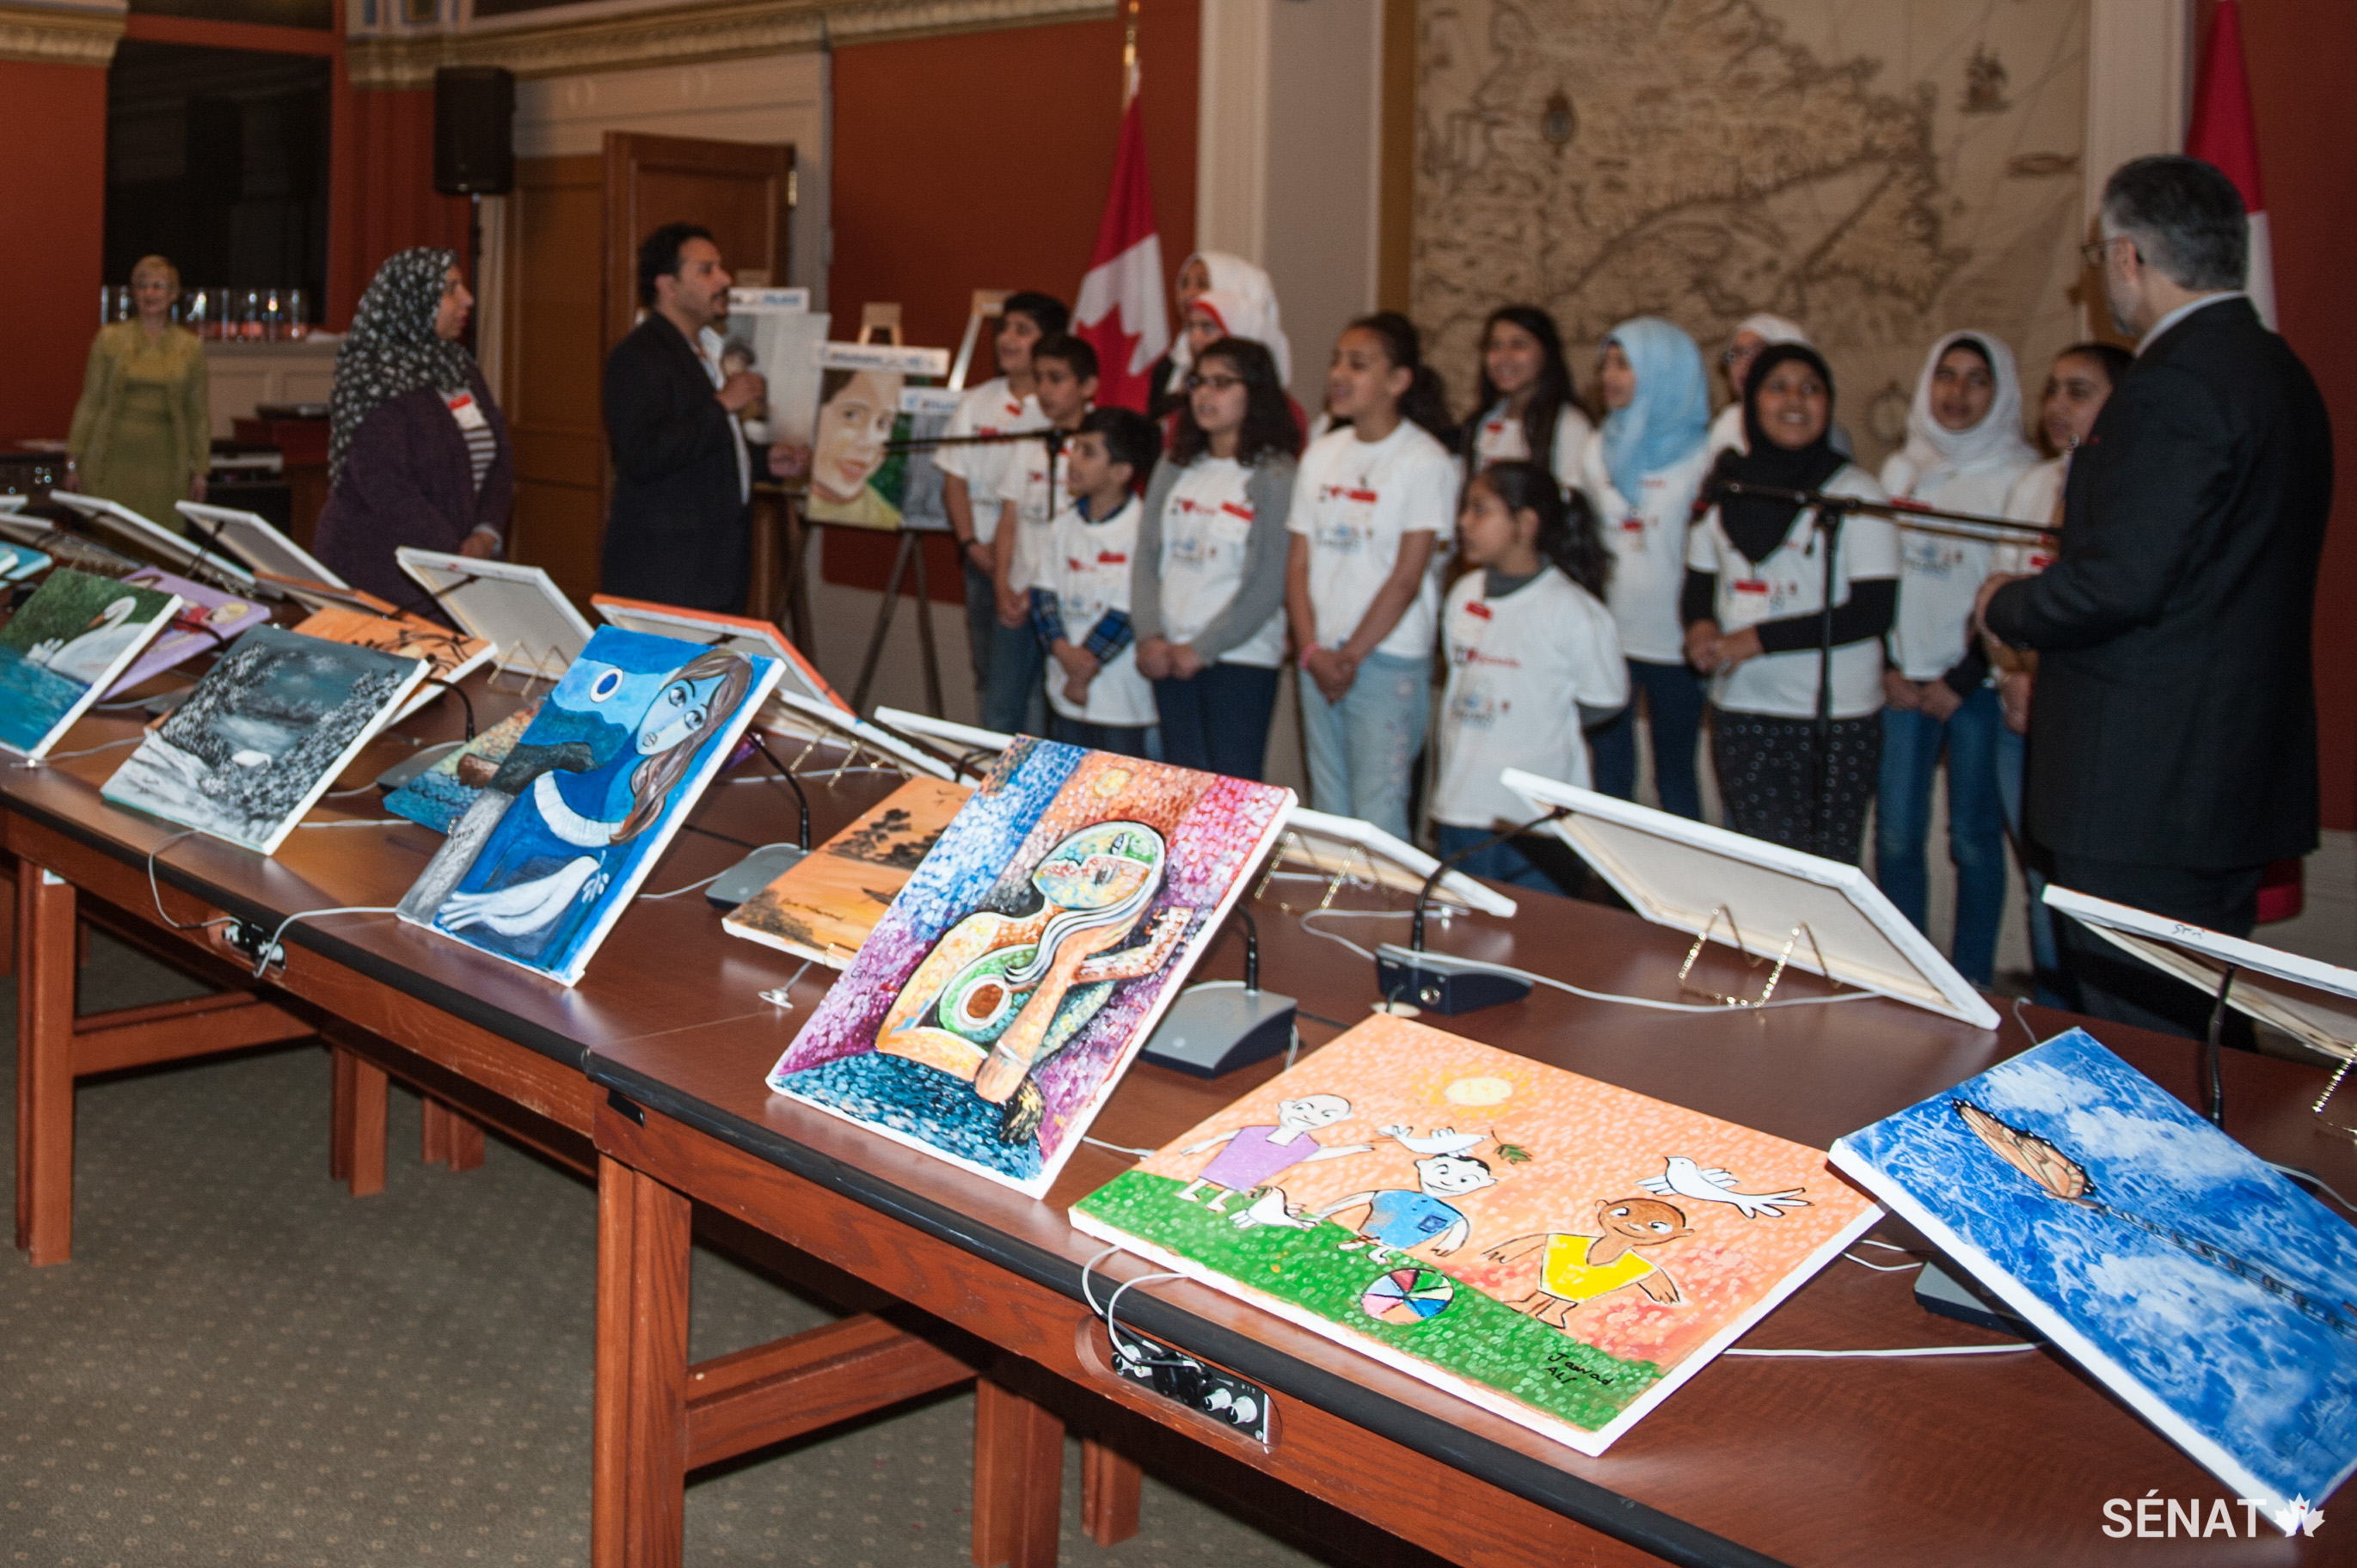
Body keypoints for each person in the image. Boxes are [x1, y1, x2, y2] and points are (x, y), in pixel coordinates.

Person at [1977, 155, 2334, 1036]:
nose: (2101, 274)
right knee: (2202, 1033)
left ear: (2129, 256)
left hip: (2142, 784)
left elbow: (2118, 582)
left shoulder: (2170, 386)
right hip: (2227, 773)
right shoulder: (2276, 371)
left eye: (2101, 253)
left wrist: (2004, 606)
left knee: (2147, 1041)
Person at [1684, 343, 1896, 860]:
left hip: (1833, 715)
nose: (1794, 400)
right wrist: (1701, 631)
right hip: (1743, 706)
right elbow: (1698, 588)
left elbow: (1872, 610)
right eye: (1777, 387)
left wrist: (1757, 639)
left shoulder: (1855, 491)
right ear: (1752, 402)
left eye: (1811, 388)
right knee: (1761, 866)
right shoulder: (1725, 486)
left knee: (1824, 871)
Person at [1872, 331, 2037, 989]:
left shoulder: (2018, 476)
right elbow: (1875, 577)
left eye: (1977, 380)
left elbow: (2011, 583)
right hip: (1900, 684)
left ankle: (1967, 981)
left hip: (1973, 686)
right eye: (1947, 376)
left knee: (1972, 840)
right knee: (1895, 837)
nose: (1957, 393)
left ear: (2000, 393)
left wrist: (1963, 676)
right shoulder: (1897, 470)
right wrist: (1886, 663)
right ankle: (1909, 978)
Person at [1992, 340, 2132, 1007]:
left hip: (2089, 721)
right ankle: (2049, 1020)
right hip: (2016, 705)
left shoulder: (2128, 491)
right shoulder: (2030, 484)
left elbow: (2107, 600)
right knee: (2038, 879)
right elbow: (2002, 589)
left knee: (2087, 895)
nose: (2056, 407)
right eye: (2051, 390)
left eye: (2078, 392)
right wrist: (2013, 675)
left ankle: (2090, 1019)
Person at [1285, 313, 1458, 840]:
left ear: (1399, 380)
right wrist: (1313, 651)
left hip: (1384, 660)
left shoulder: (1423, 460)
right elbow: (1298, 564)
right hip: (1320, 660)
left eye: (1358, 364)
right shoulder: (1321, 453)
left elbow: (1408, 575)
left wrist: (1351, 655)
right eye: (1337, 361)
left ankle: (1385, 924)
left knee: (1378, 810)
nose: (1340, 374)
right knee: (1329, 807)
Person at [1431, 462, 1625, 891]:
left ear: (1525, 523)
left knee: (1535, 942)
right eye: (1466, 508)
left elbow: (1604, 702)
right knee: (1463, 940)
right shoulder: (1464, 593)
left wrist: (1534, 730)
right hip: (1462, 806)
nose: (1464, 522)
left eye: (1480, 510)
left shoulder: (1573, 612)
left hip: (1533, 823)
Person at [1132, 337, 1298, 779]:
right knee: (1181, 786)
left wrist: (1201, 649)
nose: (1205, 394)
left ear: (1256, 392)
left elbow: (1268, 581)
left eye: (1222, 383)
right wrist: (1149, 634)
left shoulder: (1275, 474)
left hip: (1238, 657)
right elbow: (1147, 556)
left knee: (1230, 793)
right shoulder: (1175, 463)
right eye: (1198, 382)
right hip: (1169, 651)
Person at [313, 248, 513, 608]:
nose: (467, 298)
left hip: (458, 570)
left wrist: (486, 534)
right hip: (382, 575)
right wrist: (454, 552)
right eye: (451, 288)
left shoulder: (460, 367)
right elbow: (388, 486)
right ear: (411, 300)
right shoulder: (370, 376)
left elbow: (501, 457)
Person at [1577, 316, 1715, 821]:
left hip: (1676, 644)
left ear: (1664, 372)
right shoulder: (1595, 449)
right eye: (1606, 364)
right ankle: (1609, 899)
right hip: (1612, 636)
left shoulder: (1705, 454)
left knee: (1674, 778)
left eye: (1625, 364)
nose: (1610, 376)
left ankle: (1676, 898)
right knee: (1610, 777)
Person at [600, 223, 763, 612]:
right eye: (707, 271)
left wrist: (767, 461)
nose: (724, 280)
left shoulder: (709, 348)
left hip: (718, 564)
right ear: (667, 286)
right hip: (666, 572)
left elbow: (711, 449)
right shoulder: (637, 357)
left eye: (720, 267)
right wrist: (723, 404)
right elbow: (644, 453)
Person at [939, 291, 1067, 720]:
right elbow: (954, 479)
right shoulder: (977, 401)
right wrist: (971, 544)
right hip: (984, 562)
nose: (1007, 339)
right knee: (993, 679)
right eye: (1005, 328)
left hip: (1040, 568)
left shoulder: (1056, 410)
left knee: (1041, 689)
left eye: (1023, 331)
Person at [1026, 407, 1162, 756]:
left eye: (1089, 452)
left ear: (1121, 471)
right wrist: (1062, 652)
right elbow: (1043, 597)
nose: (1073, 460)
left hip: (1120, 702)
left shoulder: (1142, 531)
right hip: (1064, 693)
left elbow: (1130, 612)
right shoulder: (1063, 526)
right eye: (1075, 448)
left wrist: (1084, 666)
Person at [990, 334, 1100, 733]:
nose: (1045, 390)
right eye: (1040, 379)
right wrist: (1003, 587)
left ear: (1089, 387)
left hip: (1068, 606)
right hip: (1017, 599)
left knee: (1058, 718)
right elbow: (1009, 520)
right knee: (1003, 709)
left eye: (1057, 378)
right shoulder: (1030, 443)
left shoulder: (1099, 452)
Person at [65, 254, 210, 532]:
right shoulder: (109, 339)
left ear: (173, 294)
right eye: (142, 286)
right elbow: (90, 401)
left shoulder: (190, 348)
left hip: (166, 466)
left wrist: (201, 470)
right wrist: (73, 459)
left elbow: (198, 414)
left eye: (158, 286)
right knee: (109, 546)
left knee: (160, 545)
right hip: (110, 462)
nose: (149, 293)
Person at [1146, 251, 1292, 420]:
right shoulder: (1168, 367)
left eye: (1202, 283)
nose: (1188, 294)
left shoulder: (1265, 391)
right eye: (1184, 284)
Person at [1464, 305, 1591, 487]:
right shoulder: (1481, 423)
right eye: (1495, 346)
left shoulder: (1569, 425)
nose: (1503, 357)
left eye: (1518, 345)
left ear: (1546, 353)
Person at [1706, 313, 1854, 462]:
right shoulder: (1726, 425)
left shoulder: (1833, 437)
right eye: (1735, 354)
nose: (1743, 364)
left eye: (1756, 352)